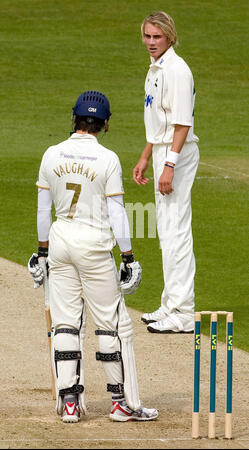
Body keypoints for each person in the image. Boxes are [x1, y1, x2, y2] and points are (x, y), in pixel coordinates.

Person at [28, 90, 158, 423]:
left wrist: (41, 253)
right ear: (105, 124)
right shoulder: (107, 159)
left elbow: (44, 210)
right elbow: (117, 213)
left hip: (60, 243)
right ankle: (120, 403)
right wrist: (128, 255)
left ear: (75, 119)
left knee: (66, 322)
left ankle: (69, 402)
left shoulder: (51, 154)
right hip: (95, 248)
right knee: (112, 325)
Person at [133, 11, 200, 334]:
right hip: (162, 150)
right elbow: (158, 120)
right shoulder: (156, 68)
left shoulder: (176, 70)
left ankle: (183, 311)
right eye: (147, 36)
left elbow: (182, 123)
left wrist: (169, 165)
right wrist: (147, 156)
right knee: (165, 230)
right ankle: (170, 303)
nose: (150, 42)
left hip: (177, 153)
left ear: (170, 36)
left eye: (156, 36)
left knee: (175, 231)